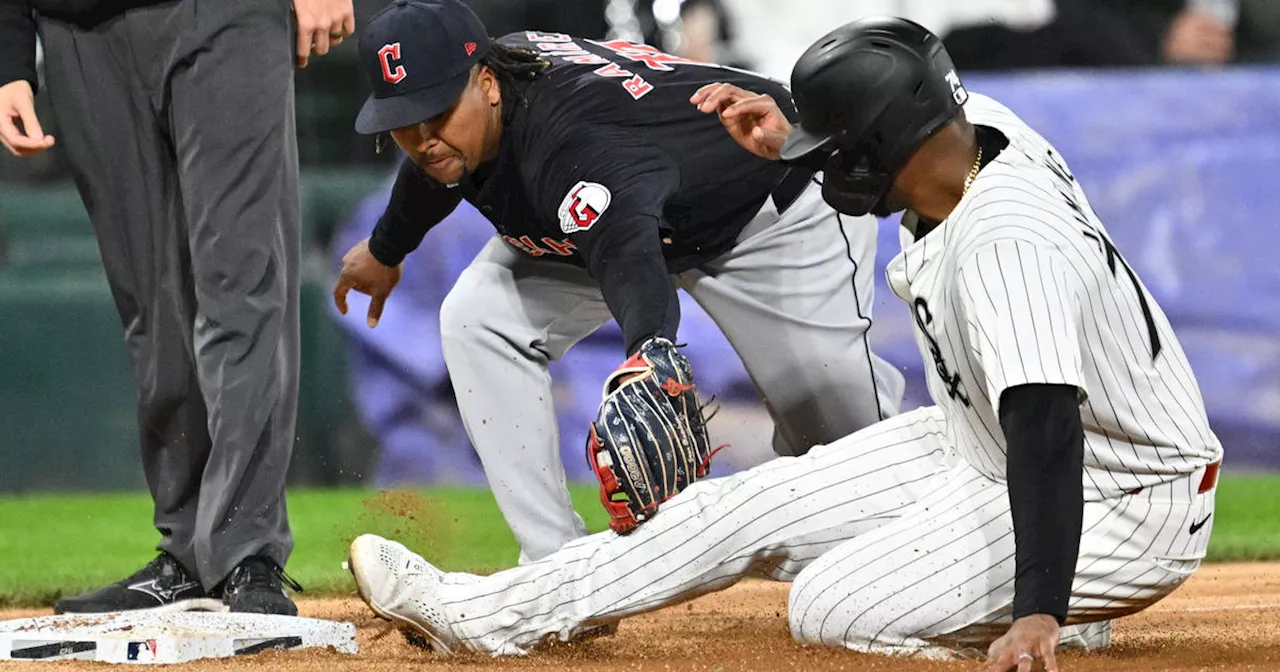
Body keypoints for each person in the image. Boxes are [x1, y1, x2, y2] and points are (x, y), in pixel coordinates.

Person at [343, 16, 1223, 670]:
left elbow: (1045, 427)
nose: (820, 160)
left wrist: (1039, 607)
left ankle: (1039, 606)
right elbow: (449, 169)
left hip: (1121, 492)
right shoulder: (981, 130)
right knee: (727, 510)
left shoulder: (1006, 247)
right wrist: (784, 140)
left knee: (832, 600)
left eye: (834, 147)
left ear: (887, 146)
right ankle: (493, 612)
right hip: (978, 442)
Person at [332, 0, 904, 561]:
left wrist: (650, 349)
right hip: (637, 203)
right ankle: (554, 564)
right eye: (405, 123)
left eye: (436, 112)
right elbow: (436, 164)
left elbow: (627, 251)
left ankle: (935, 536)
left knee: (851, 457)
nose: (423, 136)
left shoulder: (568, 142)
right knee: (476, 319)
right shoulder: (477, 110)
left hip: (765, 207)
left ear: (486, 82)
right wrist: (385, 249)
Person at [0, 0, 355, 614]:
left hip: (226, 13)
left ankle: (245, 550)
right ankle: (187, 551)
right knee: (151, 306)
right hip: (76, 28)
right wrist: (9, 55)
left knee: (240, 282)